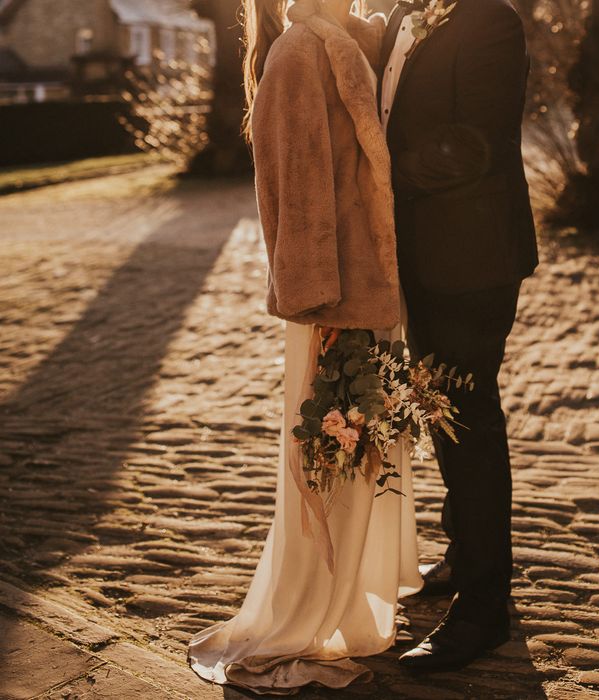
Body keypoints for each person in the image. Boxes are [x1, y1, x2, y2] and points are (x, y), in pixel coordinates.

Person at [186, 0, 423, 694]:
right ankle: (314, 608)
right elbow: (299, 192)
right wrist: (321, 307)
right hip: (332, 300)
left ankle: (351, 599)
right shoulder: (297, 53)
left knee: (361, 458)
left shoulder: (346, 43)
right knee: (330, 461)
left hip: (366, 294)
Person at [380, 0, 539, 671]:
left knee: (470, 421)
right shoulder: (401, 16)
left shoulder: (489, 22)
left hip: (472, 258)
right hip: (419, 255)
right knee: (439, 413)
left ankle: (483, 610)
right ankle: (466, 553)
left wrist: (375, 175)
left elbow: (474, 141)